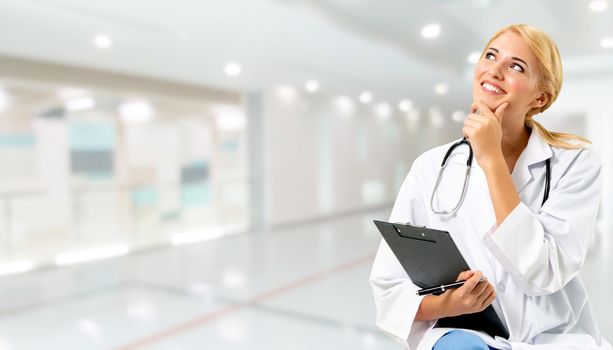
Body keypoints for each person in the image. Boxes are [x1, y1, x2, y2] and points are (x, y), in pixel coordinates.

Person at [369, 24, 611, 350]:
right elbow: (389, 285)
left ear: (541, 96)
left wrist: (491, 158)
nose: (494, 70)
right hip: (467, 337)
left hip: (555, 339)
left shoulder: (574, 163)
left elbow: (544, 273)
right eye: (490, 56)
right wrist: (448, 305)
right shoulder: (431, 168)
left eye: (515, 66)